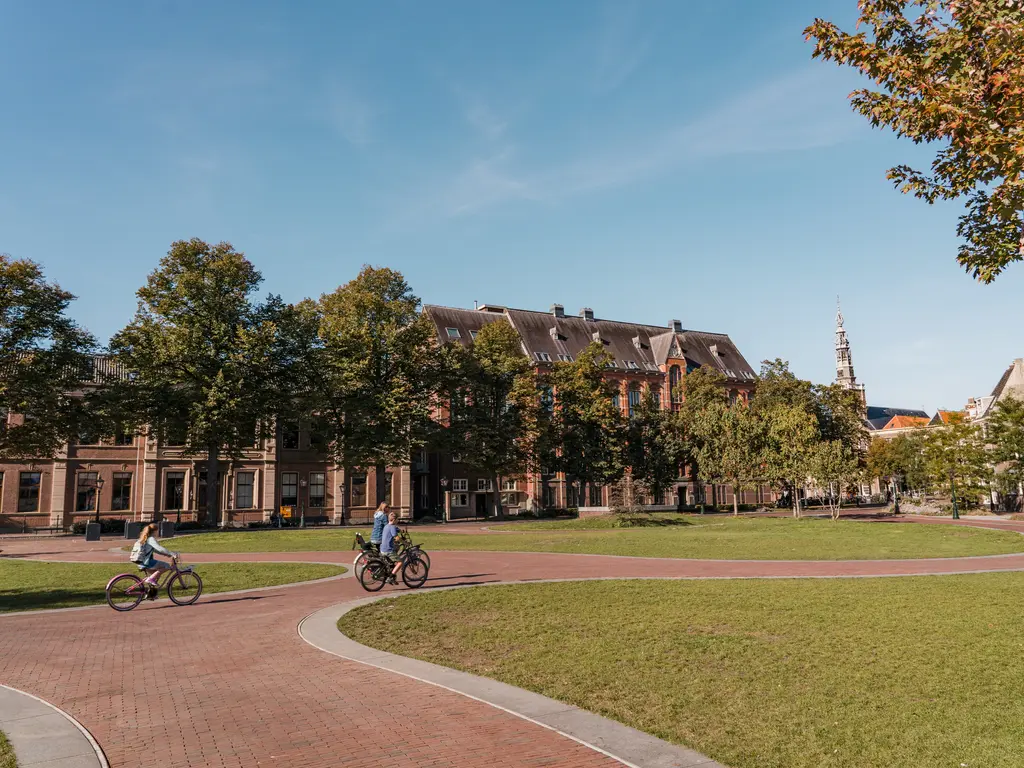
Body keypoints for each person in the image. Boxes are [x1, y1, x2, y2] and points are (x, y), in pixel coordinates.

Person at [129, 522, 179, 600]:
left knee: (156, 575)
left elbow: (155, 550)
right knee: (166, 566)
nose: (158, 532)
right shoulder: (151, 539)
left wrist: (167, 554)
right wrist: (171, 553)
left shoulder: (146, 538)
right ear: (155, 531)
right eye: (158, 530)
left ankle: (151, 594)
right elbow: (159, 548)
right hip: (147, 562)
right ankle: (150, 580)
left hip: (141, 562)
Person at [378, 511, 404, 585]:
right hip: (388, 550)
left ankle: (392, 577)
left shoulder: (386, 526)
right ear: (394, 520)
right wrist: (405, 542)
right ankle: (390, 577)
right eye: (397, 519)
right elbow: (397, 537)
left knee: (392, 561)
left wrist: (400, 530)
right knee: (400, 562)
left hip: (382, 549)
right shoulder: (392, 527)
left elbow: (394, 531)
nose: (398, 521)